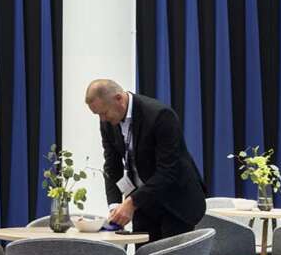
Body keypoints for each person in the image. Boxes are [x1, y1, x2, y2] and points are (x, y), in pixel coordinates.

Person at [86, 79, 207, 241]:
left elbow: (169, 170)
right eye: (98, 115)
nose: (102, 119)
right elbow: (112, 166)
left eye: (104, 112)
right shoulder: (108, 123)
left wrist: (131, 202)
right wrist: (115, 206)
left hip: (175, 203)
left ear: (119, 99)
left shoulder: (160, 115)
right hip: (144, 203)